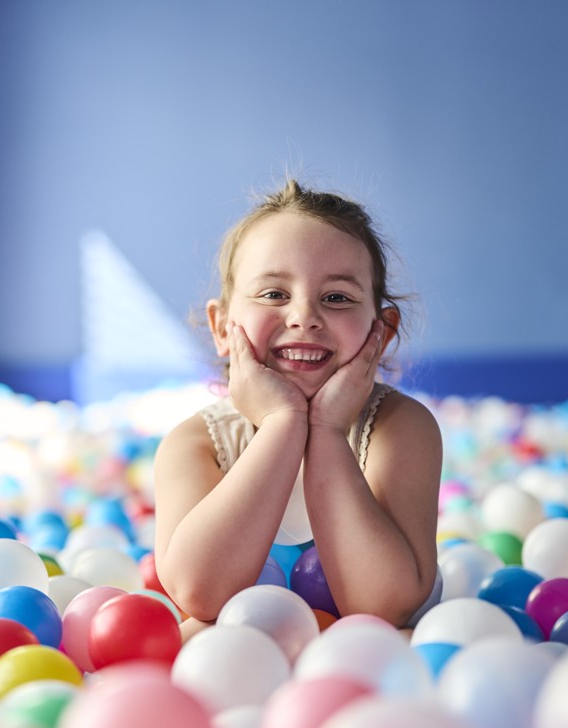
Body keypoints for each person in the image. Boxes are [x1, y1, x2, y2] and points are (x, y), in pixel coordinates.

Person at [153, 179, 442, 631]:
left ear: (381, 332)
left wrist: (326, 430)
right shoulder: (197, 444)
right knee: (192, 636)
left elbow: (384, 606)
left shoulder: (400, 428)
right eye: (273, 294)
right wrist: (282, 423)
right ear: (222, 327)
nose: (303, 316)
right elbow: (200, 593)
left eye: (337, 298)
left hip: (361, 664)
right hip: (244, 663)